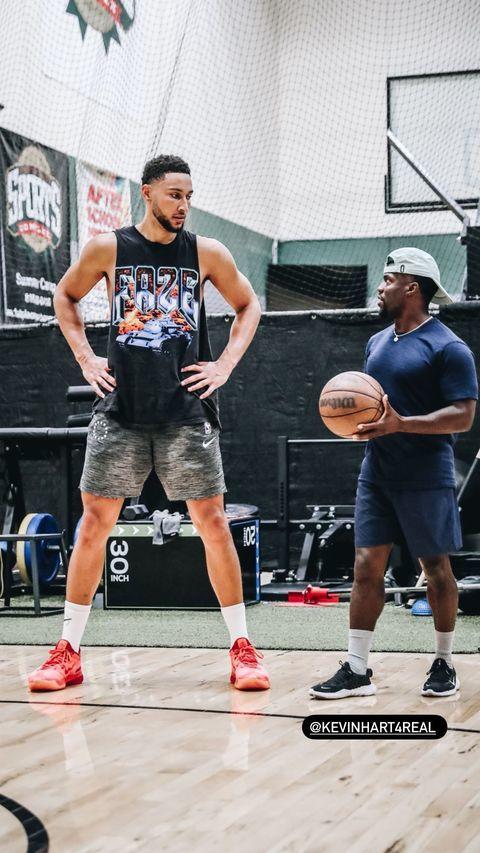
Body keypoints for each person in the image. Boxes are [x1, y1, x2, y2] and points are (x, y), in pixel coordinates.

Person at [28, 154, 269, 693]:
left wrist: (224, 366)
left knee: (212, 521)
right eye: (174, 195)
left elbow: (248, 305)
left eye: (189, 197)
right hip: (123, 410)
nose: (183, 206)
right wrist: (86, 358)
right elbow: (65, 295)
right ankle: (67, 651)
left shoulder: (206, 252)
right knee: (95, 523)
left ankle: (242, 648)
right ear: (148, 193)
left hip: (185, 409)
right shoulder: (109, 248)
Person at [310, 247, 477, 699]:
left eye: (388, 280)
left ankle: (444, 662)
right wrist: (361, 425)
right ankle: (356, 669)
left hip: (426, 474)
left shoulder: (449, 348)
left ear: (412, 287)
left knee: (436, 568)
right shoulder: (377, 342)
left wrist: (402, 424)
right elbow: (377, 408)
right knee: (366, 566)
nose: (380, 287)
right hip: (377, 472)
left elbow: (463, 416)